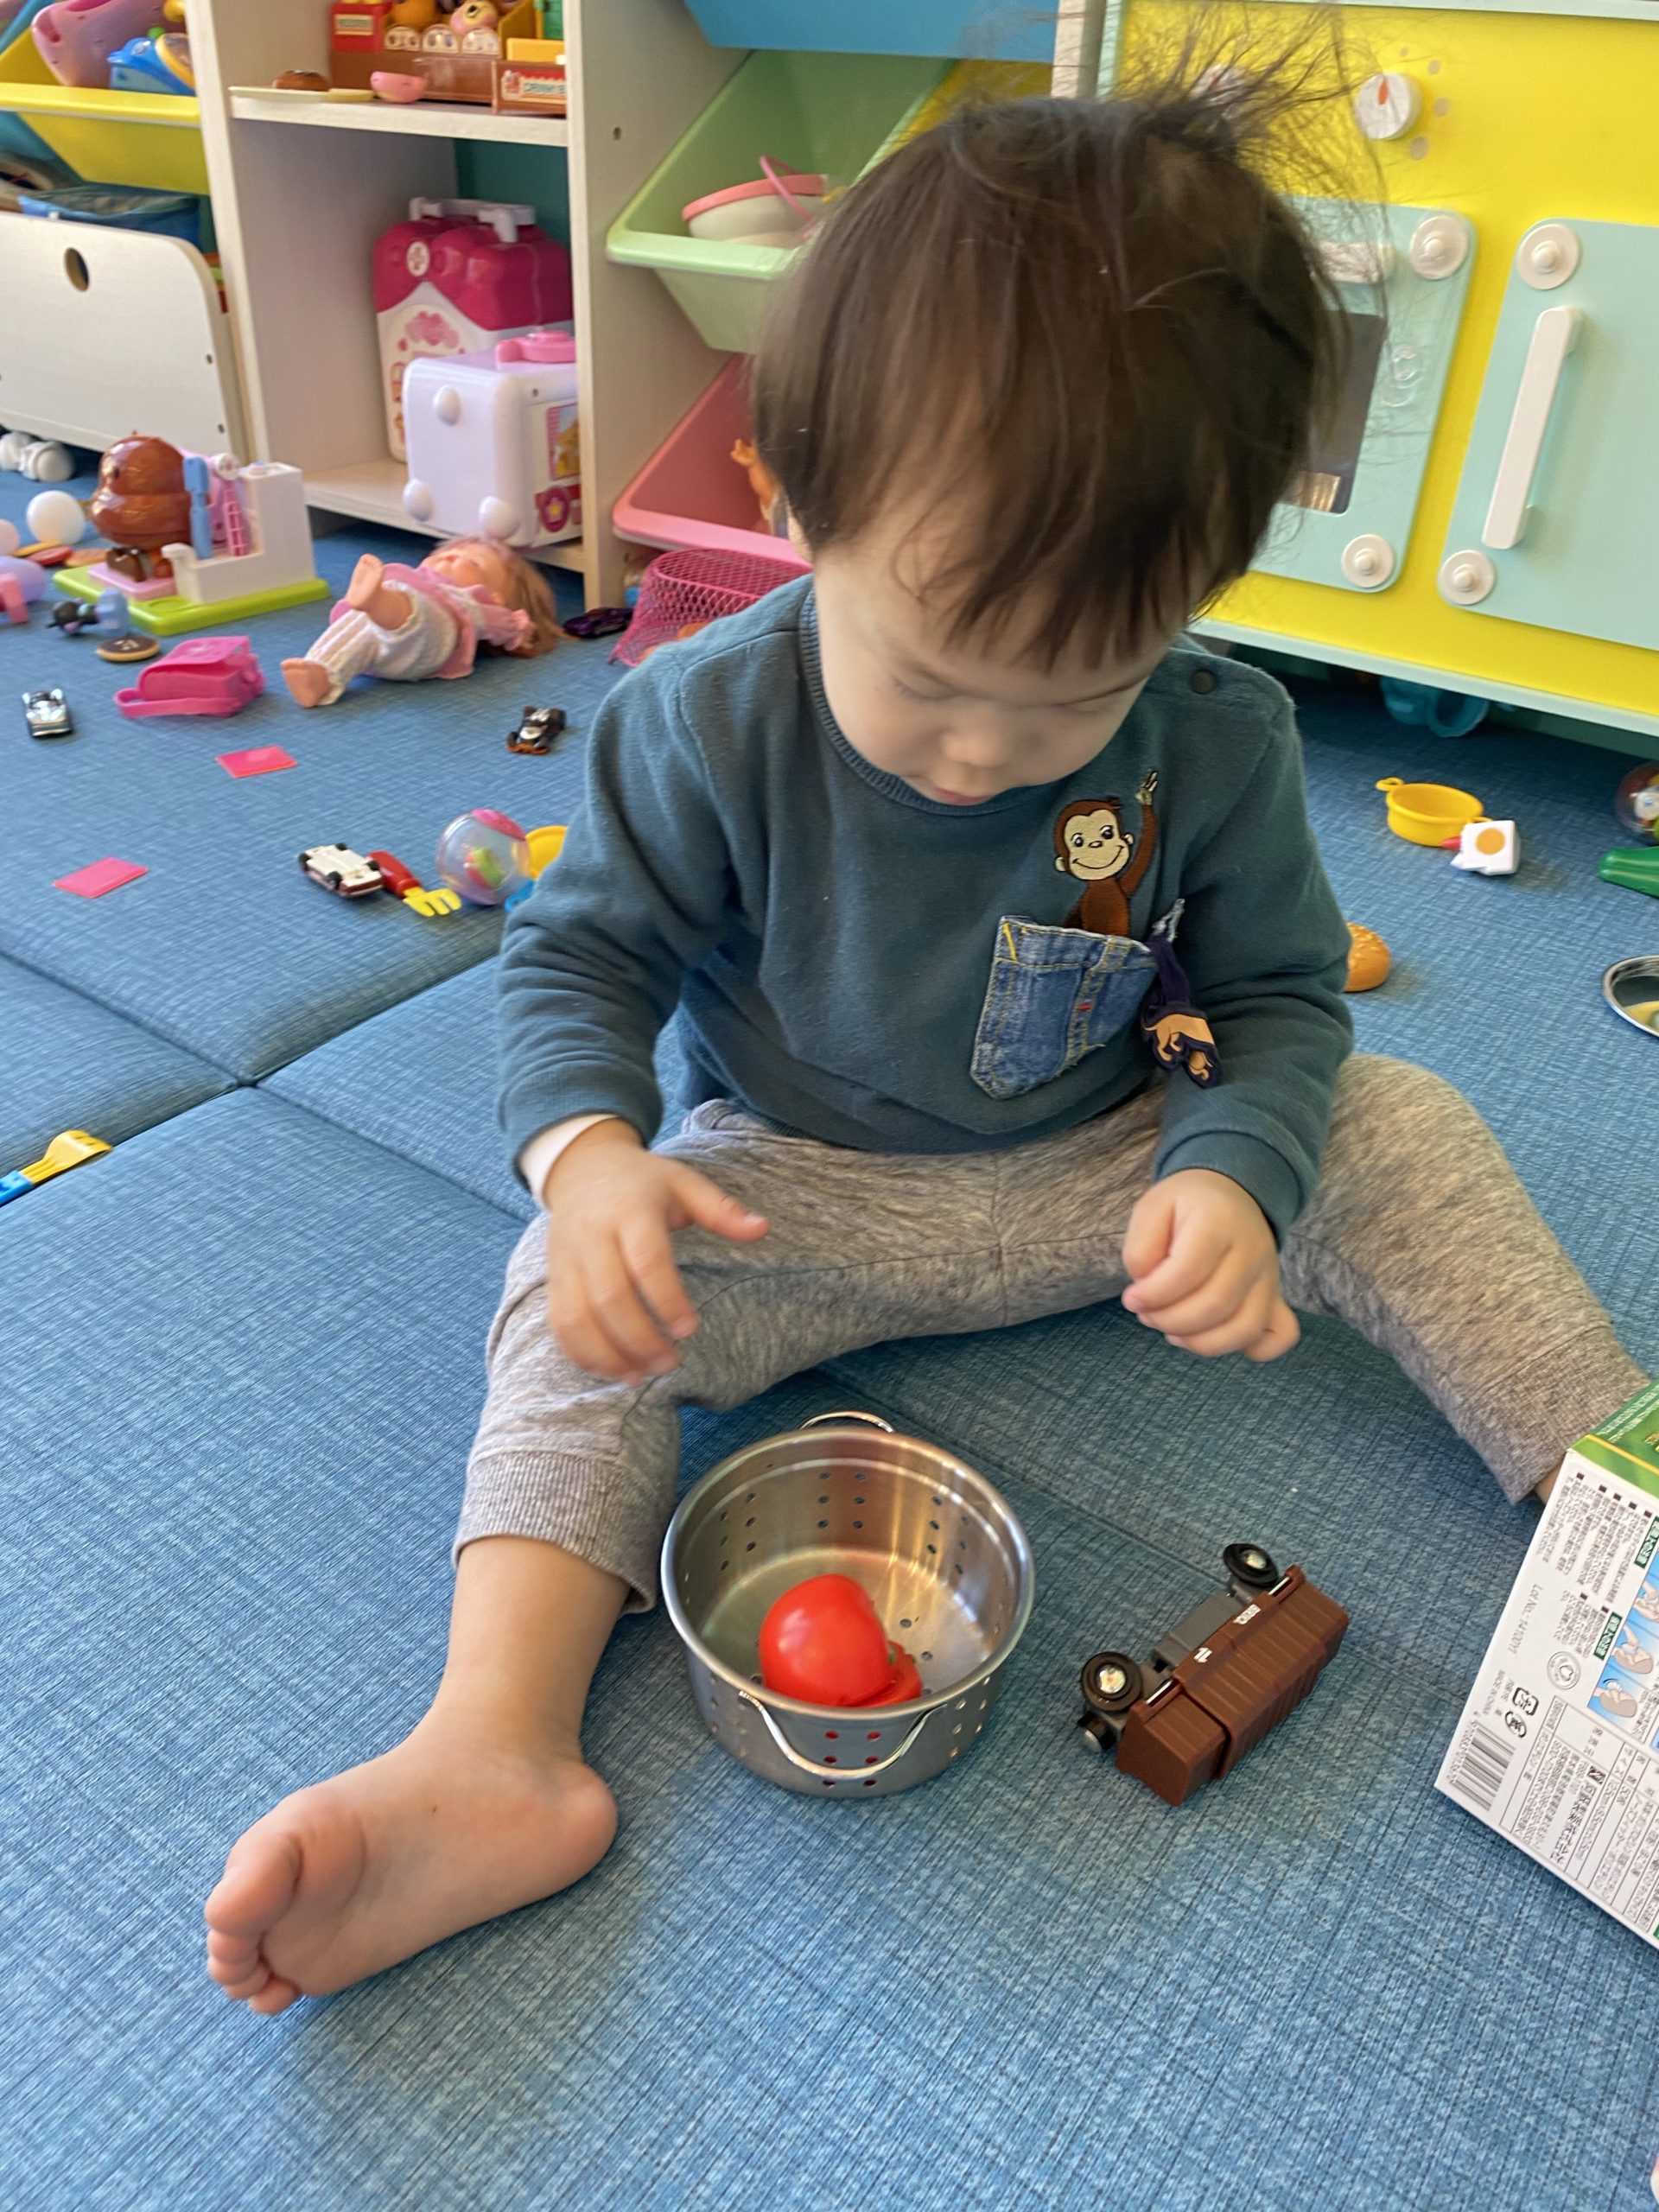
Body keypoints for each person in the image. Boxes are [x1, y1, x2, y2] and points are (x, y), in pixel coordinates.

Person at [204, 77, 1645, 2012]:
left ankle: (1614, 1497)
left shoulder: (1218, 735)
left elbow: (1282, 997)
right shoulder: (703, 722)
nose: (983, 753)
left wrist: (1236, 1170)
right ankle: (495, 1745)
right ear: (796, 504)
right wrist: (594, 1163)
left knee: (1405, 1121)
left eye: (1073, 698)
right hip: (792, 1195)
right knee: (567, 1284)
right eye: (932, 676)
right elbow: (576, 966)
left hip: (1112, 1173)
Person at [280, 537, 561, 708]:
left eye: (473, 562)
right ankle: (320, 674)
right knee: (355, 627)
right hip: (383, 647)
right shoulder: (414, 580)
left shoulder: (475, 603)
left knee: (414, 606)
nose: (452, 555)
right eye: (448, 551)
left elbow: (511, 627)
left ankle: (379, 601)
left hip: (431, 642)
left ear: (496, 598)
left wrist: (520, 632)